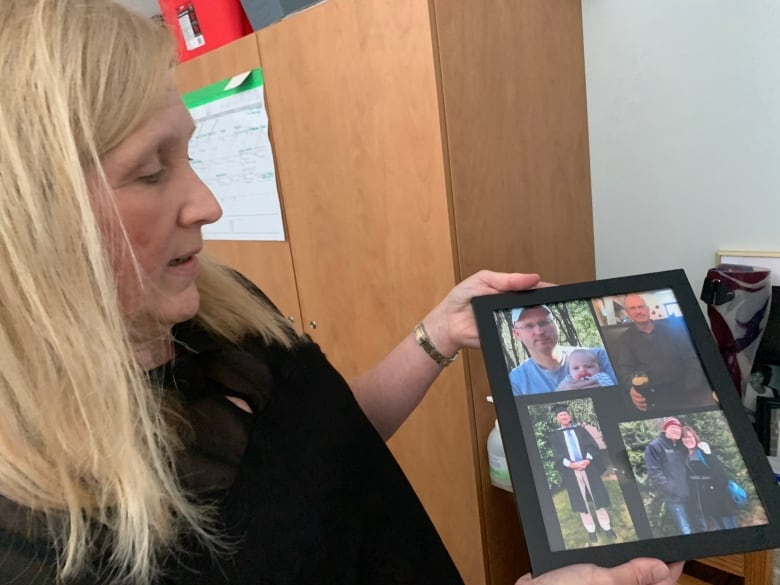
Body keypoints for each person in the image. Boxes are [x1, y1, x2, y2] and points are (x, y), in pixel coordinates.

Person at [0, 2, 683, 584]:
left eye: (189, 155)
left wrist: (434, 336)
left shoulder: (221, 305)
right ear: (36, 218)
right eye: (152, 171)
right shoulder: (37, 538)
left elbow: (320, 440)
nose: (207, 203)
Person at [615, 294, 714, 412]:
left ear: (647, 309)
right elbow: (625, 369)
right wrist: (631, 388)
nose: (638, 311)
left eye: (640, 307)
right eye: (632, 308)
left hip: (685, 388)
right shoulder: (625, 339)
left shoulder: (673, 329)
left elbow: (691, 358)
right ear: (627, 313)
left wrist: (691, 386)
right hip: (654, 393)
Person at [547, 404, 616, 545]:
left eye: (565, 414)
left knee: (597, 497)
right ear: (557, 418)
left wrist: (588, 459)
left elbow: (592, 445)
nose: (564, 417)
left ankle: (607, 527)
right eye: (561, 415)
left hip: (588, 467)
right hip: (572, 471)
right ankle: (591, 530)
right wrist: (570, 464)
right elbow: (557, 454)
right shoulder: (555, 436)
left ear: (569, 416)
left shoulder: (580, 430)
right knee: (581, 500)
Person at [509, 305, 617, 396]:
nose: (539, 331)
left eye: (544, 323)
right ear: (517, 334)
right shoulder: (516, 381)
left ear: (556, 325)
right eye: (528, 326)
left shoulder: (599, 356)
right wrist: (560, 396)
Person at [681, 426, 739, 531]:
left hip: (720, 499)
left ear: (695, 437)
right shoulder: (685, 456)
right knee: (720, 528)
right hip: (707, 502)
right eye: (684, 438)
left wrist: (709, 455)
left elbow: (721, 474)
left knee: (731, 529)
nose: (688, 440)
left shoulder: (703, 451)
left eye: (690, 437)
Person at [645, 417, 693, 535]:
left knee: (698, 525)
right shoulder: (655, 446)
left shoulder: (681, 445)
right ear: (665, 429)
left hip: (691, 495)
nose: (676, 430)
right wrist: (671, 488)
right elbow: (654, 471)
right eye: (672, 427)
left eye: (678, 428)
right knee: (686, 530)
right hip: (674, 498)